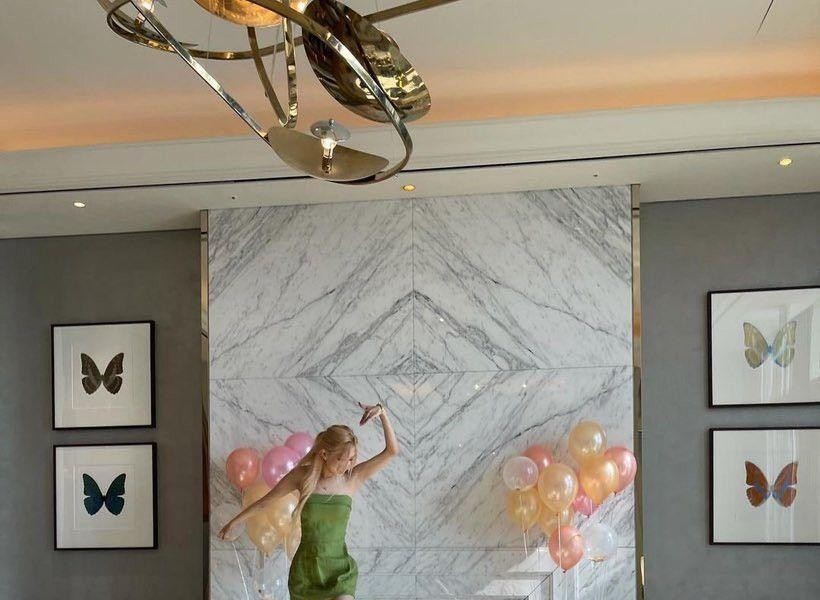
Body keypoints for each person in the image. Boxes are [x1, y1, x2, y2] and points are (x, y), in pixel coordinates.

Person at [218, 401, 399, 600]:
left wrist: (382, 413)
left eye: (352, 459)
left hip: (338, 570)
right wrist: (233, 522)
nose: (348, 465)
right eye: (342, 459)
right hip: (306, 572)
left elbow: (392, 451)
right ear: (324, 454)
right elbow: (265, 502)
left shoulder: (352, 479)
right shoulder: (302, 477)